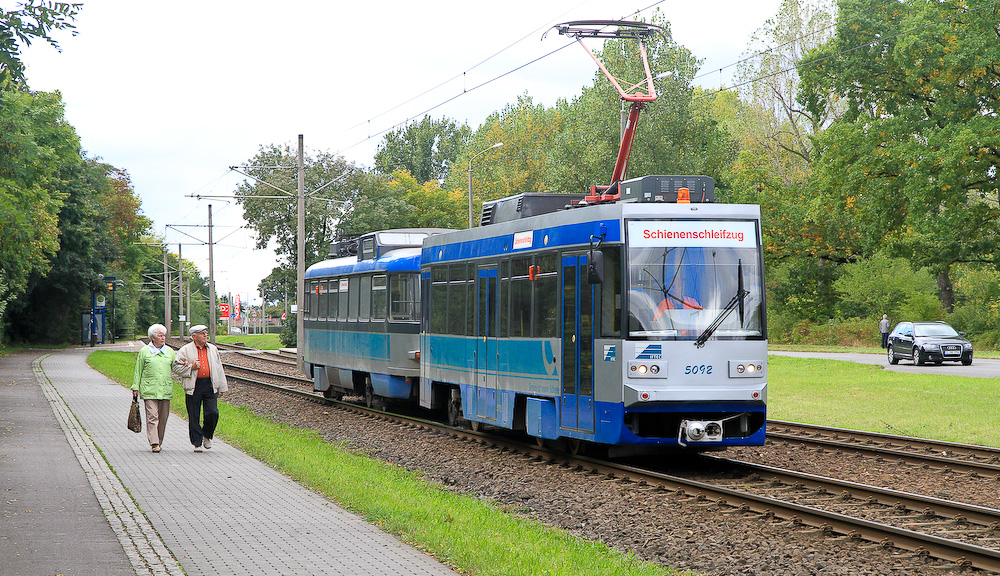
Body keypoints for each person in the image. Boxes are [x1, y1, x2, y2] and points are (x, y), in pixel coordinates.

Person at [173, 324, 228, 452]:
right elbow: (176, 367)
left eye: (205, 333)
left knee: (213, 412)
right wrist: (190, 367)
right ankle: (197, 442)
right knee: (194, 415)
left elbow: (219, 368)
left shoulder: (212, 349)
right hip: (194, 386)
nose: (205, 335)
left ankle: (207, 435)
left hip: (210, 384)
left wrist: (221, 388)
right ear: (194, 336)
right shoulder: (185, 350)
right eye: (202, 333)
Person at [131, 323, 175, 453]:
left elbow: (177, 367)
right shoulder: (145, 352)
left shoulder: (170, 352)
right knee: (152, 416)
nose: (163, 338)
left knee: (163, 417)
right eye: (160, 336)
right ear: (153, 337)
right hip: (149, 389)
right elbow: (138, 370)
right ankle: (154, 442)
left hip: (165, 390)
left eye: (164, 336)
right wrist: (135, 387)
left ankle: (159, 441)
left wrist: (188, 366)